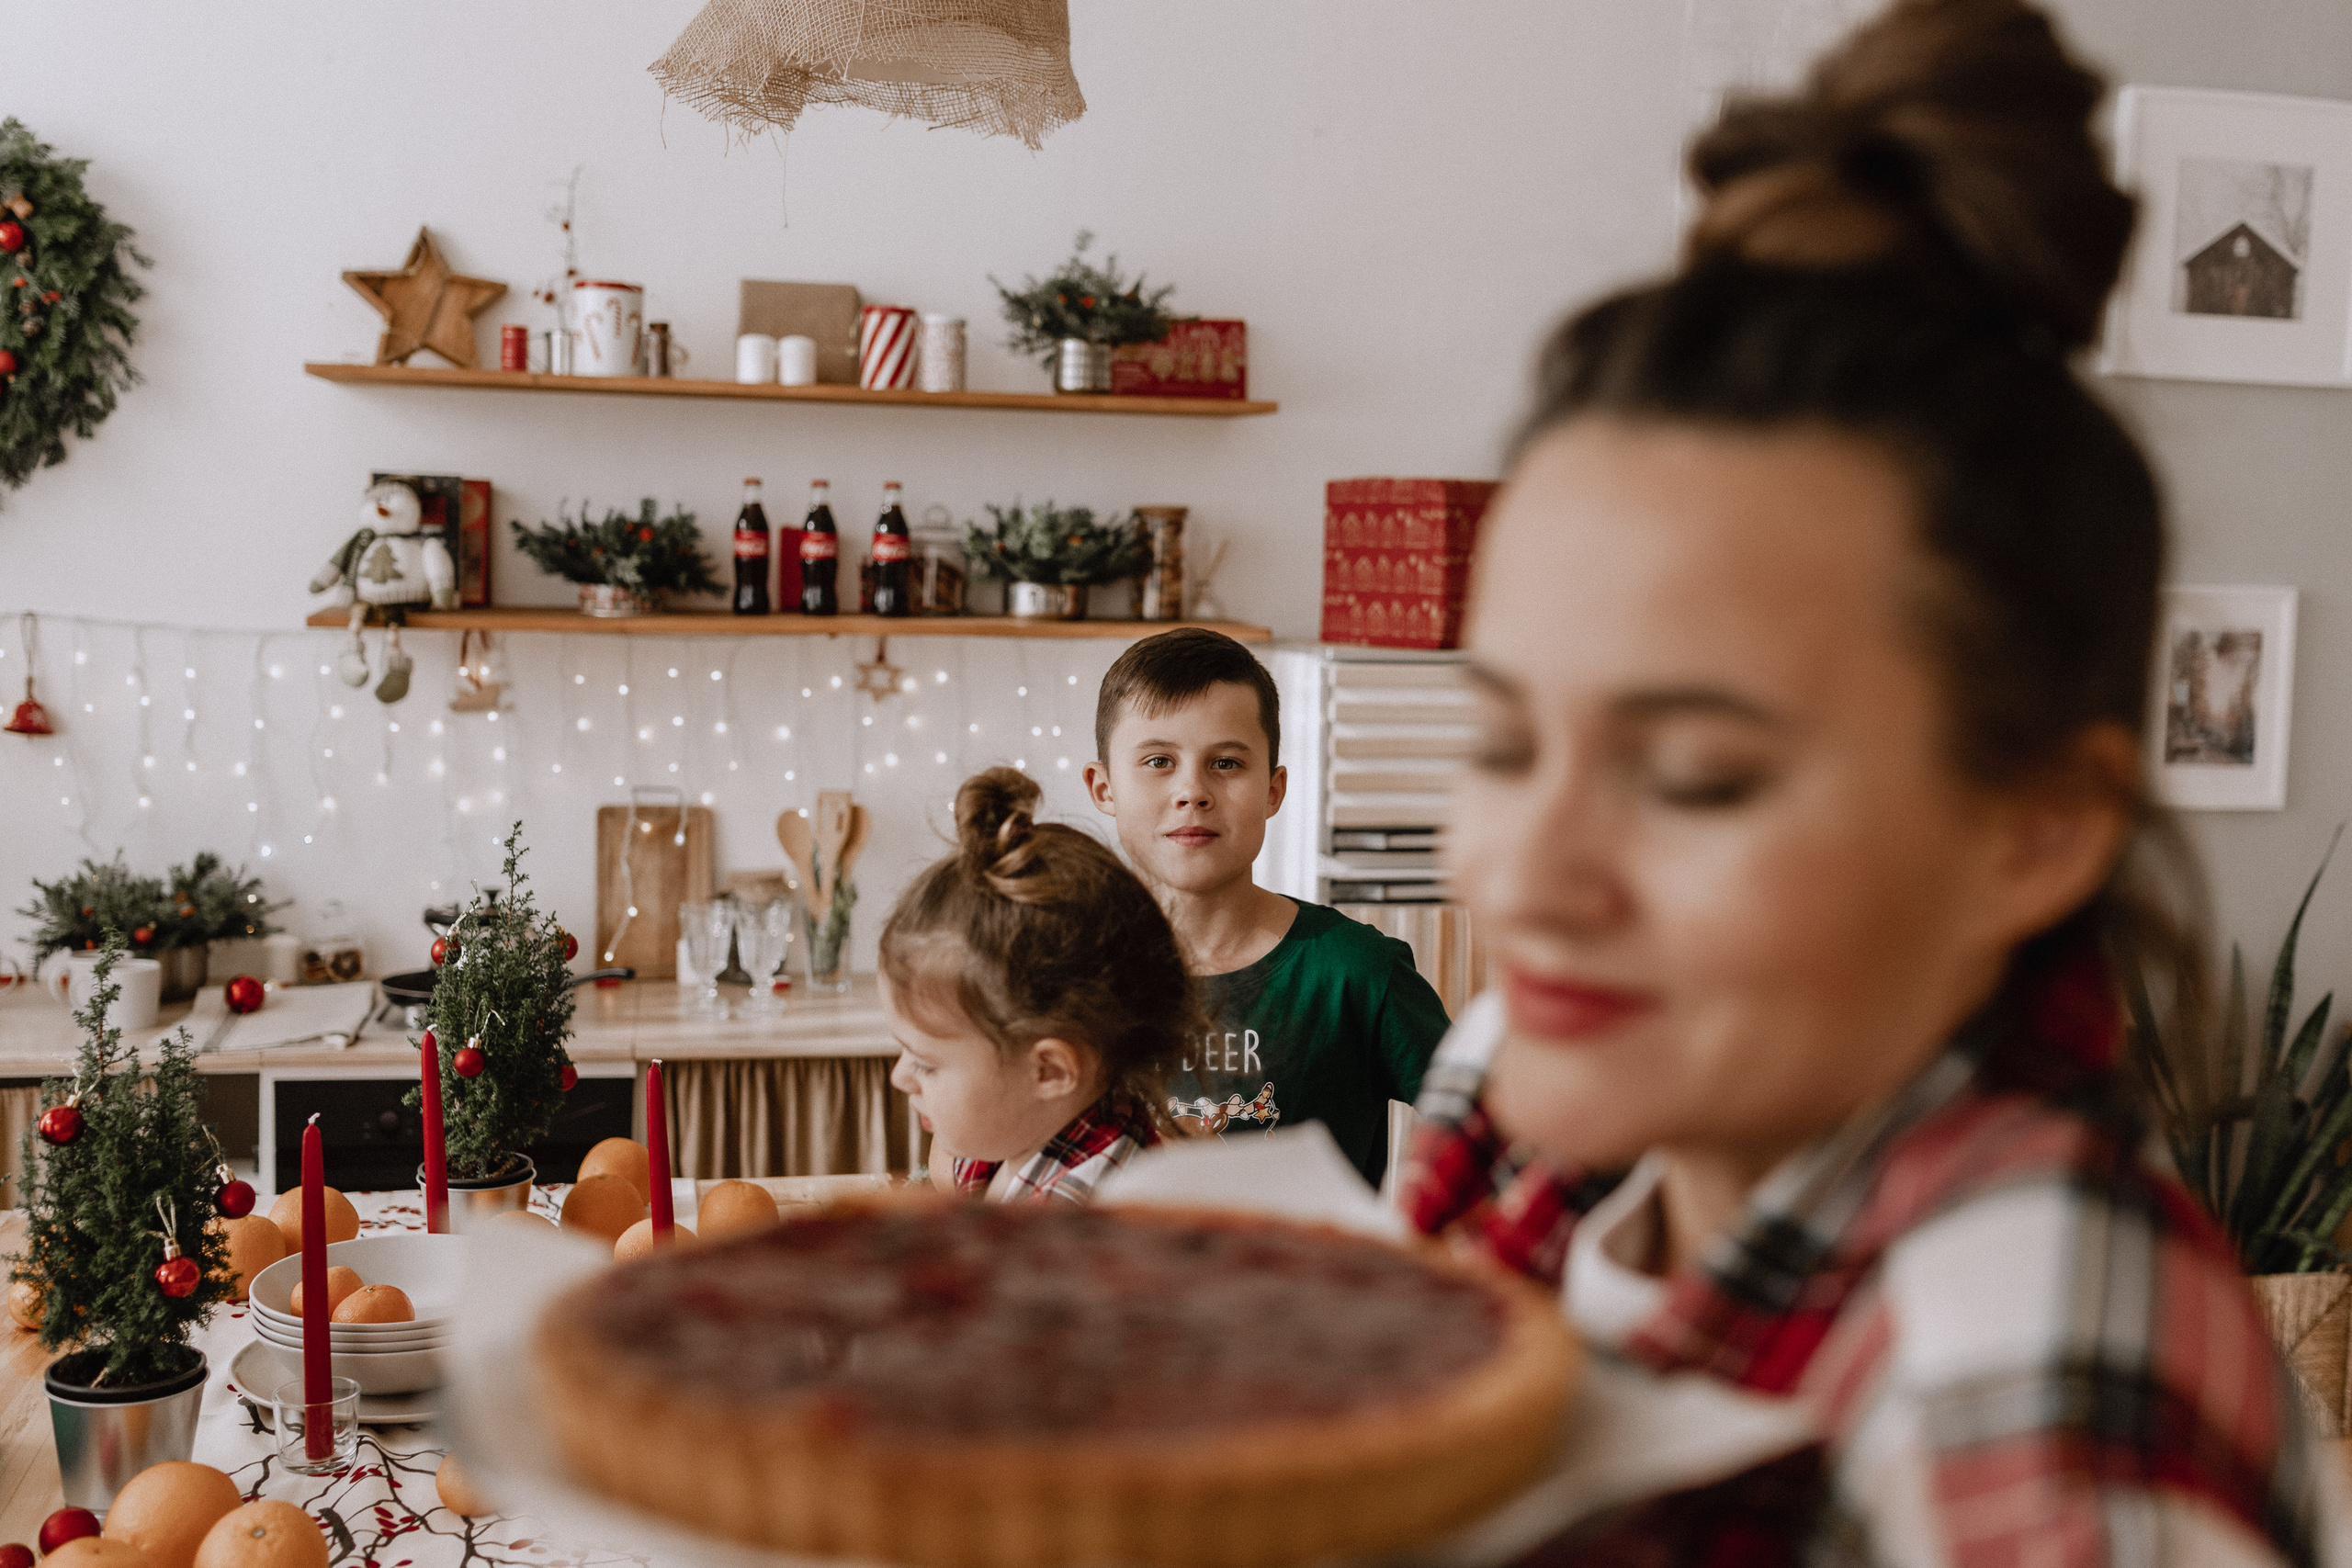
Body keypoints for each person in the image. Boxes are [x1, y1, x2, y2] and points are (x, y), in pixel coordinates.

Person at [1399, 0, 2348, 1560]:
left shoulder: (2032, 1372)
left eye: (1698, 777)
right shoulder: (1523, 1086)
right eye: (1502, 741)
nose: (1522, 874)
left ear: (2039, 826)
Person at [1085, 626, 1452, 1188]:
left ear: (1274, 790)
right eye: (1158, 761)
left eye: (1227, 764)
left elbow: (1500, 1135)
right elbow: (967, 1156)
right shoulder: (1067, 972)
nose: (1193, 791)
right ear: (1103, 788)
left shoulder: (1357, 973)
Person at [882, 767, 1192, 1203]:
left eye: (927, 1063)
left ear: (1049, 1071)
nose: (900, 1077)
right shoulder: (1021, 1130)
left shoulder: (1079, 1225)